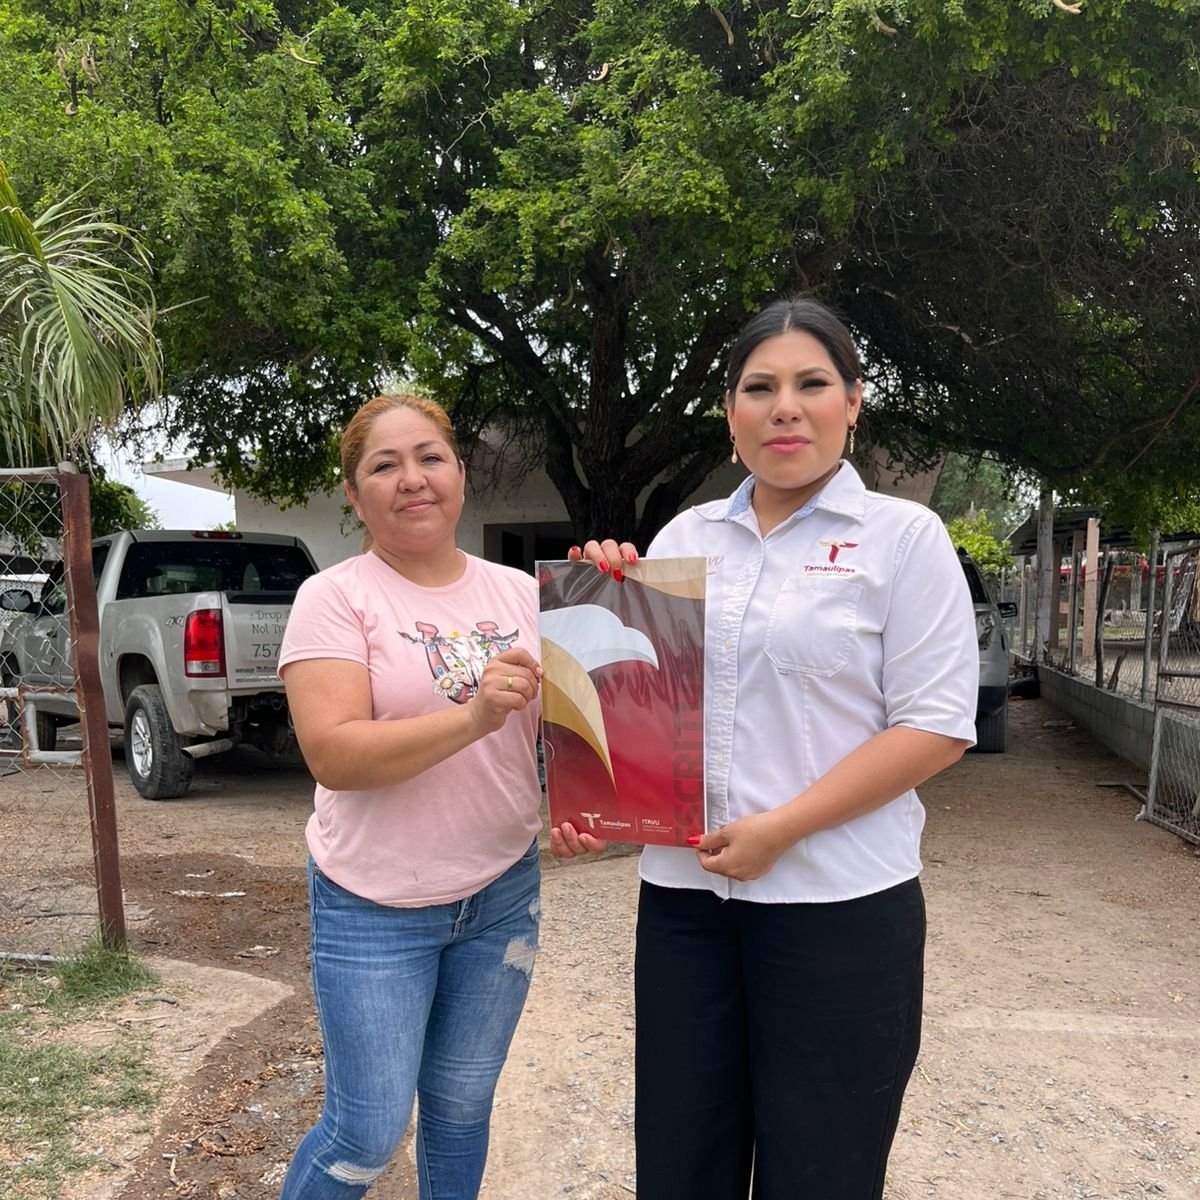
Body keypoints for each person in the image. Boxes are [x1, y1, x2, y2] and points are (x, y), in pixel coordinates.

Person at [552, 296, 980, 1200]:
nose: (785, 407)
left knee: (821, 1166)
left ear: (853, 401)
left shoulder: (902, 539)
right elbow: (637, 704)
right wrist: (599, 605)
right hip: (685, 907)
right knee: (682, 1161)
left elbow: (937, 723)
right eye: (760, 387)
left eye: (811, 383)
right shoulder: (685, 539)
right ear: (732, 413)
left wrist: (783, 828)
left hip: (840, 907)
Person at [276, 393, 544, 1200]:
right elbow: (335, 752)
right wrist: (470, 718)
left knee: (462, 1107)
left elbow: (575, 733)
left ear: (461, 472)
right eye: (383, 466)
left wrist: (618, 587)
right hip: (374, 904)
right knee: (368, 1129)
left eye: (429, 457)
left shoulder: (526, 595)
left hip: (501, 891)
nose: (412, 479)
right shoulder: (336, 598)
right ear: (355, 496)